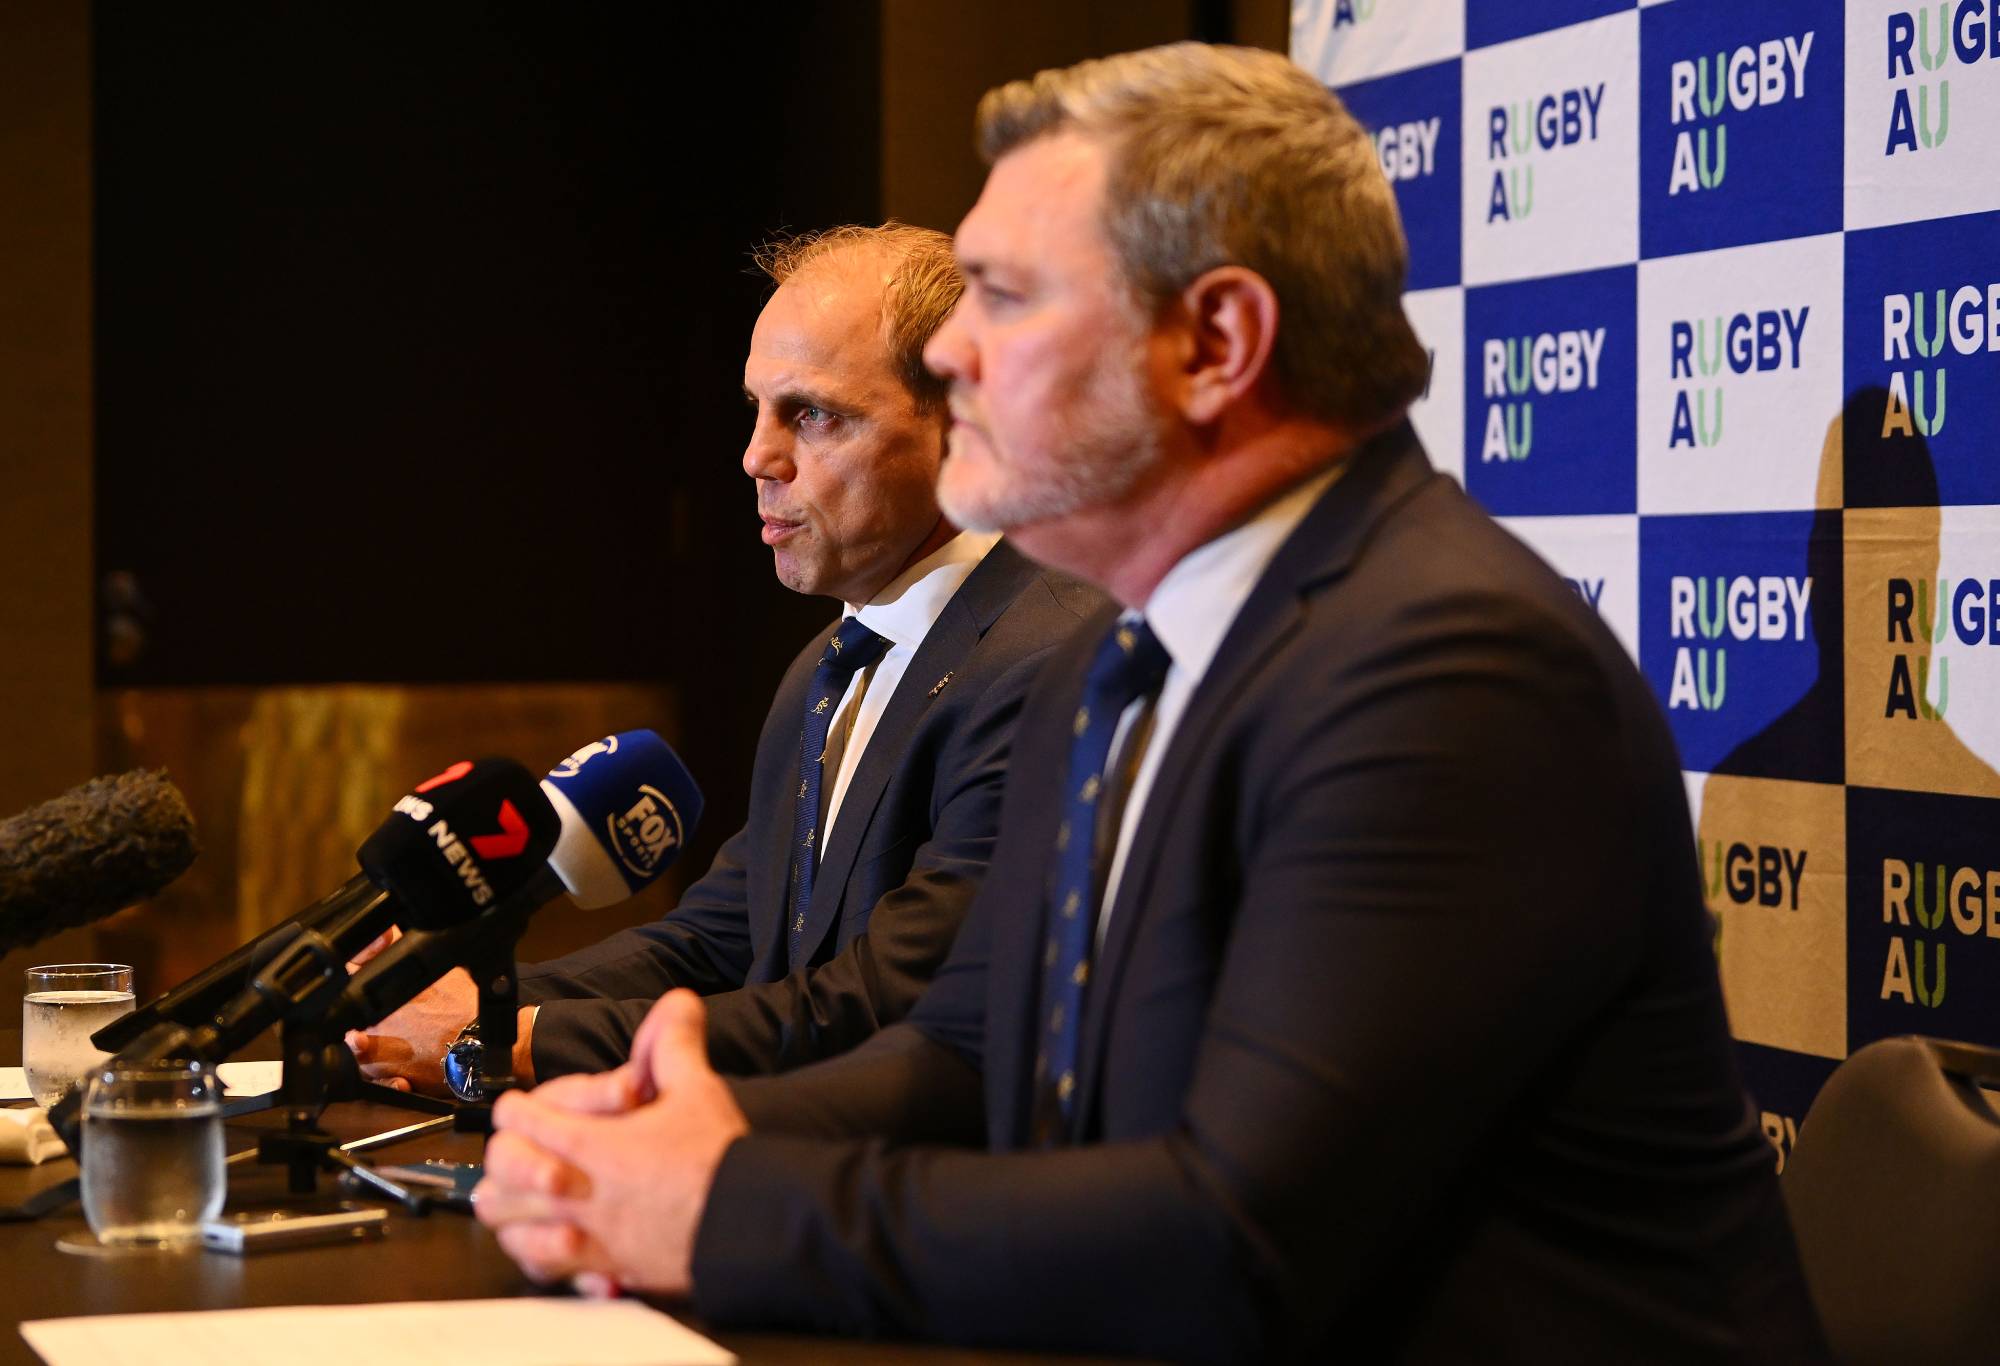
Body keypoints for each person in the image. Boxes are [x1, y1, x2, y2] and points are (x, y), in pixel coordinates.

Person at [470, 46, 1832, 1364]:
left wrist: (722, 1205)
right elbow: (963, 1050)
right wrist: (675, 1123)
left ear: (1219, 341)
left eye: (1005, 298)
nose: (951, 360)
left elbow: (1232, 1242)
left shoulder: (1447, 669)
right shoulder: (1114, 654)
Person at [348, 222, 1100, 1093]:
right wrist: (463, 1001)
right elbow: (719, 941)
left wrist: (503, 1043)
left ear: (963, 425)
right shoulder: (829, 662)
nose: (756, 457)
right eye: (757, 409)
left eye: (812, 415)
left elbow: (892, 1002)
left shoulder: (1044, 657)